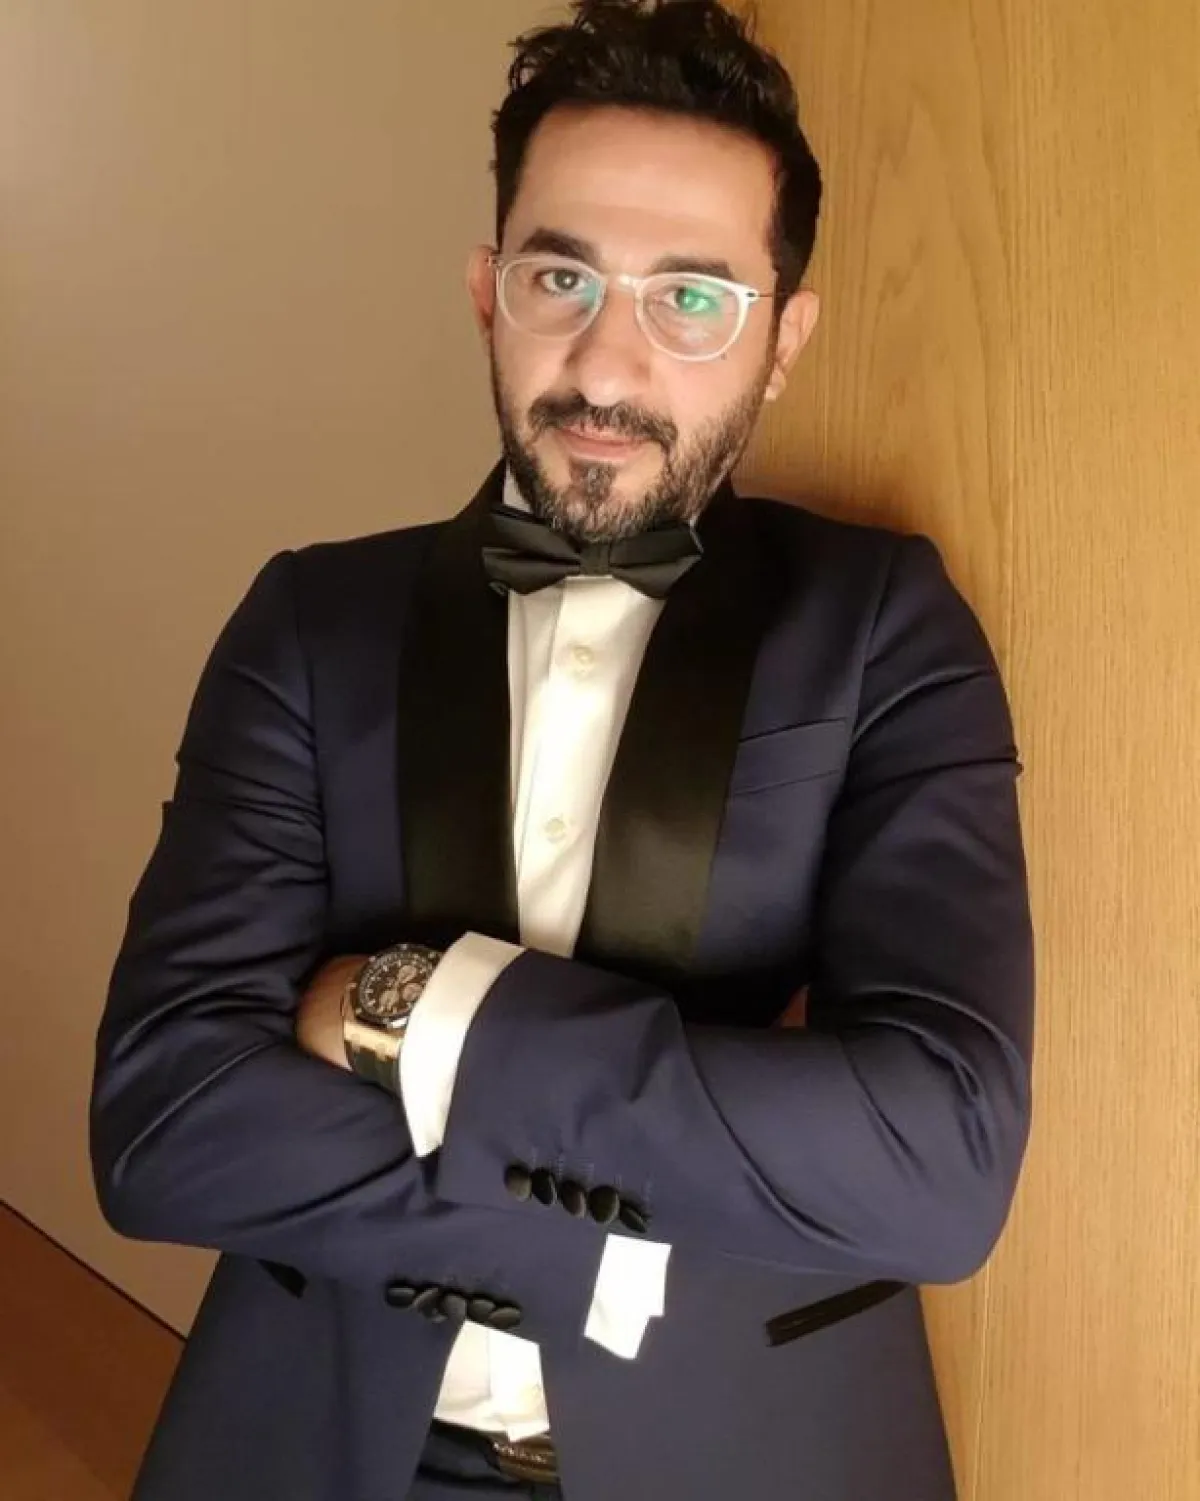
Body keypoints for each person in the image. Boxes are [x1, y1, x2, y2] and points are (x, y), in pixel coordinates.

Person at [89, 2, 1036, 1498]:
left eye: (692, 297)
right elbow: (167, 1124)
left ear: (784, 337)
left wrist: (413, 1010)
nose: (607, 362)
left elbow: (936, 1162)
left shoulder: (886, 629)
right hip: (320, 1435)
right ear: (489, 292)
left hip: (758, 1457)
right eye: (561, 276)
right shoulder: (310, 622)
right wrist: (662, 1207)